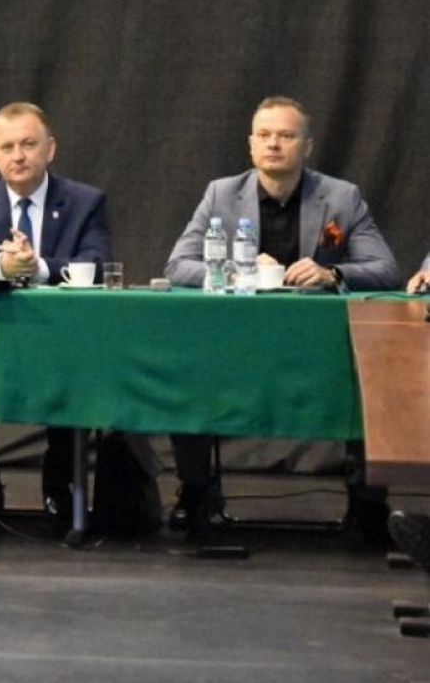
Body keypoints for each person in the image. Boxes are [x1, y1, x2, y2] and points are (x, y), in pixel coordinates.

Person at [164, 96, 400, 539]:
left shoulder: (341, 198)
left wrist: (333, 273)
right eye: (265, 135)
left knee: (372, 374)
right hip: (235, 342)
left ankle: (367, 502)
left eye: (286, 136)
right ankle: (195, 492)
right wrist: (234, 270)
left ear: (306, 146)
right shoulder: (221, 194)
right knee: (187, 370)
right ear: (251, 144)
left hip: (320, 348)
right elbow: (178, 266)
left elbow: (386, 270)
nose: (273, 144)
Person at [0, 101, 112, 523]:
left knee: (76, 376)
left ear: (50, 149)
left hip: (62, 338)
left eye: (28, 144)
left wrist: (38, 268)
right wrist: (2, 265)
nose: (18, 155)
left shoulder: (85, 201)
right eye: (8, 147)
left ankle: (58, 486)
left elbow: (98, 265)